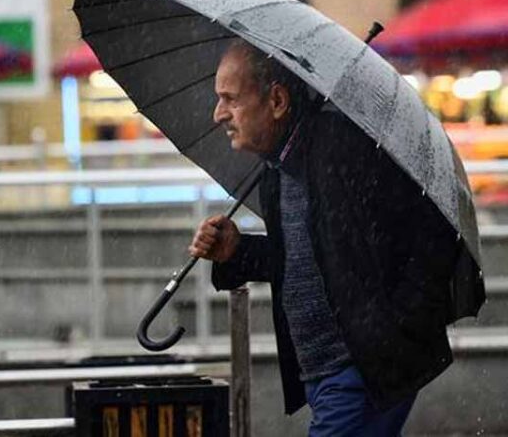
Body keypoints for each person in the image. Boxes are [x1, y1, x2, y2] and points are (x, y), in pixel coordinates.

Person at [189, 40, 469, 435]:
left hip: (360, 371)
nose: (218, 114)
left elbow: (431, 233)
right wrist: (238, 251)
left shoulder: (343, 150)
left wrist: (392, 335)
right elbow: (314, 255)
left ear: (277, 101)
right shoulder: (278, 168)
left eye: (230, 99)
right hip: (324, 374)